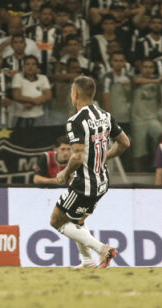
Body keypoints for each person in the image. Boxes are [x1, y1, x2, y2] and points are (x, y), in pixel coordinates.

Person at [50, 75, 130, 269]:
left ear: (74, 94)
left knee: (57, 221)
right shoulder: (105, 116)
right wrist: (105, 157)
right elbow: (124, 143)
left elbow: (77, 157)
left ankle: (102, 249)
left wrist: (64, 172)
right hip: (102, 181)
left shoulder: (76, 121)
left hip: (84, 182)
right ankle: (87, 261)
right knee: (77, 221)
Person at [11, 55, 52, 128]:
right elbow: (16, 96)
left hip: (39, 116)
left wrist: (32, 103)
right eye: (27, 64)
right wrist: (34, 101)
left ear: (37, 67)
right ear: (23, 66)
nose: (30, 67)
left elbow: (48, 95)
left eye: (33, 64)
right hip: (20, 116)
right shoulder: (17, 77)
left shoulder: (43, 78)